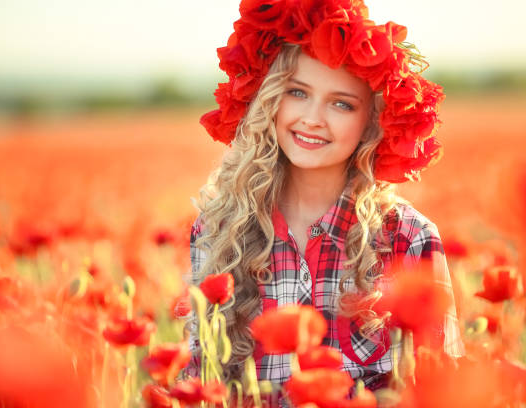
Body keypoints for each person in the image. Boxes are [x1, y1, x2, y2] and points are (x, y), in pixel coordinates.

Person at [185, 0, 464, 398]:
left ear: (373, 120)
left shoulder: (407, 236)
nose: (313, 118)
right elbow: (200, 379)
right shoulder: (217, 230)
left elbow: (444, 387)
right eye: (297, 92)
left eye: (341, 103)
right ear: (269, 100)